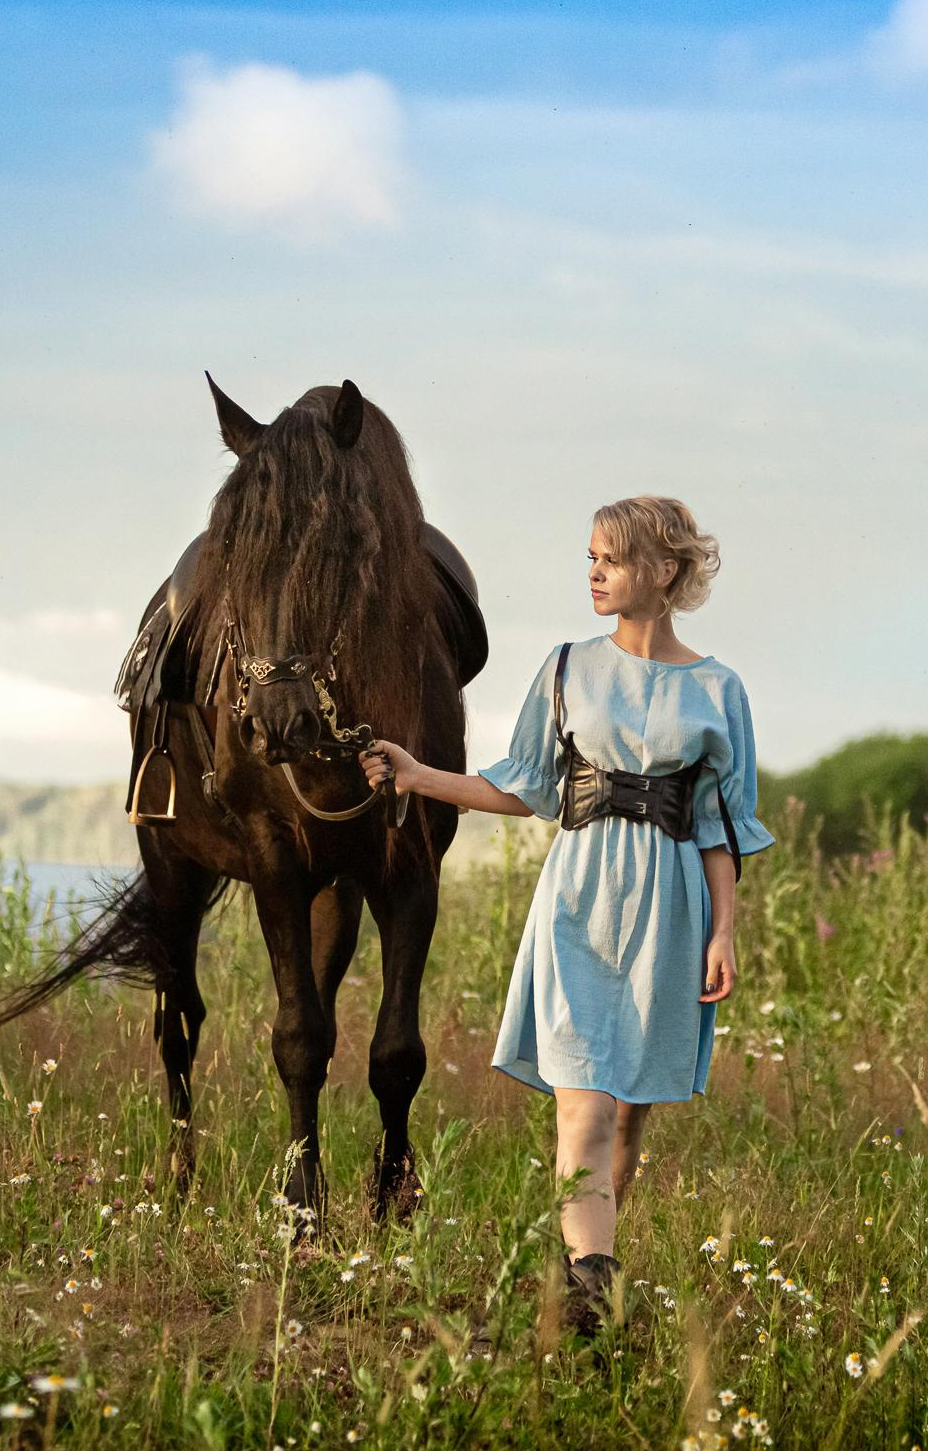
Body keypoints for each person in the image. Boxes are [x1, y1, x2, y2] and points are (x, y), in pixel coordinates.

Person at [360, 495, 775, 1336]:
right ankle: (592, 1294)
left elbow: (720, 829)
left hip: (670, 911)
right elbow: (523, 787)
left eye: (612, 559)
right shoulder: (565, 669)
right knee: (582, 1107)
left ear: (664, 570)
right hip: (580, 901)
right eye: (589, 557)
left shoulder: (718, 690)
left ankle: (586, 1273)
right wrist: (417, 774)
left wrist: (725, 930)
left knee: (626, 1117)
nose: (593, 572)